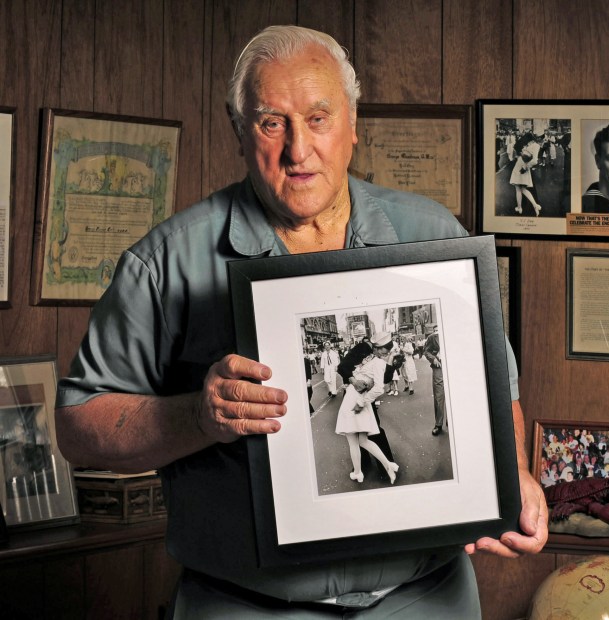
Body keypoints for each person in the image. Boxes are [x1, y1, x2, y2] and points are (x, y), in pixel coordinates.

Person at [53, 25, 547, 618]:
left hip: (425, 598)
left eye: (318, 118)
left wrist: (514, 472)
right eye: (271, 123)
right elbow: (78, 428)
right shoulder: (165, 263)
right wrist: (197, 415)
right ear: (239, 131)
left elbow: (500, 390)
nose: (298, 149)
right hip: (245, 604)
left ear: (353, 124)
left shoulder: (435, 234)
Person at [335, 332, 400, 484]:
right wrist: (353, 380)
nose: (385, 353)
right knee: (362, 437)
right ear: (376, 347)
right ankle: (366, 467)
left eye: (388, 351)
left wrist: (371, 383)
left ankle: (379, 466)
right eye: (384, 350)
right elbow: (342, 366)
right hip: (356, 394)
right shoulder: (362, 348)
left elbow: (385, 378)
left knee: (366, 433)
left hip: (361, 397)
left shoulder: (380, 360)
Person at [509, 132, 542, 216]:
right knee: (523, 189)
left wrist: (525, 167)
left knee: (518, 188)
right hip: (523, 165)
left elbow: (535, 160)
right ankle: (535, 205)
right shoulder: (533, 145)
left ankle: (520, 208)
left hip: (521, 166)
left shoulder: (535, 146)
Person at [423, 324, 446, 436]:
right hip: (439, 367)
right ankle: (438, 424)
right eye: (435, 330)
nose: (437, 331)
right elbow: (426, 351)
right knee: (439, 396)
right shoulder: (432, 337)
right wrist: (433, 359)